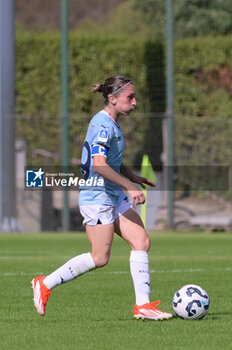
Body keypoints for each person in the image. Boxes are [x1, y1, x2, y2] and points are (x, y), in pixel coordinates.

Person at [32, 75, 172, 320]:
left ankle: (143, 306)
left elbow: (112, 162)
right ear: (113, 98)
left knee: (141, 241)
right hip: (97, 196)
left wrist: (133, 177)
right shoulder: (103, 124)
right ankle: (44, 283)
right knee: (100, 258)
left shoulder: (112, 124)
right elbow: (99, 165)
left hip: (113, 193)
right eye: (130, 97)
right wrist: (129, 185)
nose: (135, 102)